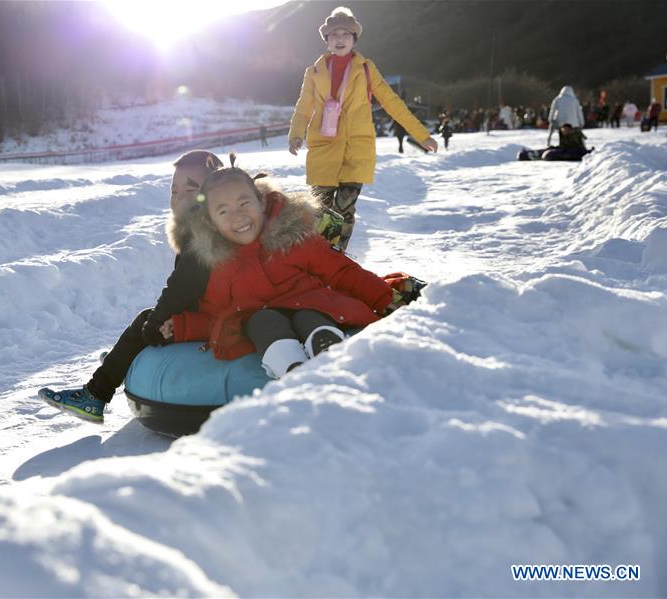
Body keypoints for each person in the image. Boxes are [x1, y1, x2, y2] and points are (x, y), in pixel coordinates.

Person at [164, 158, 414, 379]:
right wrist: (184, 326)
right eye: (223, 211)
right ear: (211, 222)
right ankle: (290, 368)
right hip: (263, 323)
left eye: (244, 204)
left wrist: (384, 298)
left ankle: (329, 348)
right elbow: (215, 314)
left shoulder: (293, 237)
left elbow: (342, 271)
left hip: (313, 306)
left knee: (310, 314)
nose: (237, 216)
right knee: (263, 320)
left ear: (261, 201)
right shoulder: (219, 265)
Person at [37, 150, 222, 422]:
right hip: (206, 313)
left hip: (209, 323)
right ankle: (120, 361)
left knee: (145, 321)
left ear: (212, 192)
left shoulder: (201, 236)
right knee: (147, 322)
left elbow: (181, 289)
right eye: (174, 190)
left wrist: (156, 323)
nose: (179, 196)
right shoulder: (205, 226)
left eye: (190, 188)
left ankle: (96, 394)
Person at [288, 6, 437, 252]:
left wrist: (421, 135)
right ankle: (320, 259)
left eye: (346, 34)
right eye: (334, 34)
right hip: (323, 149)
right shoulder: (313, 73)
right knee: (322, 212)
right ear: (327, 40)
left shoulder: (366, 69)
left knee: (345, 209)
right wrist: (296, 134)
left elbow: (392, 102)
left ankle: (338, 258)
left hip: (356, 150)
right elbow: (303, 107)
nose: (340, 39)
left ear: (354, 39)